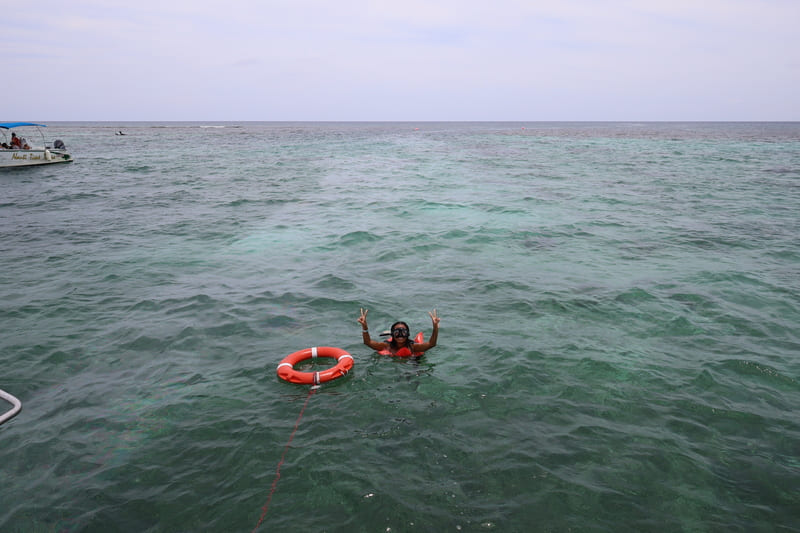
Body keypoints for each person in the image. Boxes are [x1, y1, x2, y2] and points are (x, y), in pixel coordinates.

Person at [358, 308, 440, 356]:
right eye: (397, 332)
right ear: (393, 334)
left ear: (407, 334)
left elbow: (431, 344)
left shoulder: (413, 347)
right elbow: (367, 342)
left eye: (403, 332)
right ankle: (387, 332)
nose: (400, 335)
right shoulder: (387, 346)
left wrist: (435, 328)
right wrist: (364, 327)